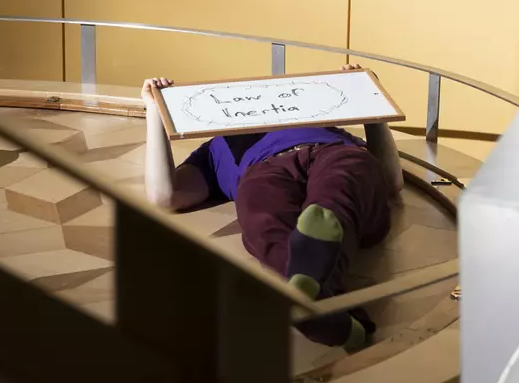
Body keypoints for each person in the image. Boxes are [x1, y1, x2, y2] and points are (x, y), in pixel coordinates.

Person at [142, 64, 404, 352]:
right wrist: (154, 112)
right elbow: (164, 195)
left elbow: (391, 180)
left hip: (332, 153)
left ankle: (311, 295)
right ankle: (322, 304)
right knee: (261, 213)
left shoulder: (321, 119)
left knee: (340, 186)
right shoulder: (217, 147)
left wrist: (369, 96)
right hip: (263, 170)